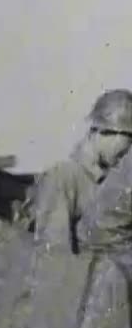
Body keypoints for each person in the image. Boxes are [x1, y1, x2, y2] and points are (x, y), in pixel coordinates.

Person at [24, 89, 132, 255]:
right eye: (123, 151)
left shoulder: (114, 181)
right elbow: (54, 253)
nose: (125, 157)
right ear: (101, 131)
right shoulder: (63, 177)